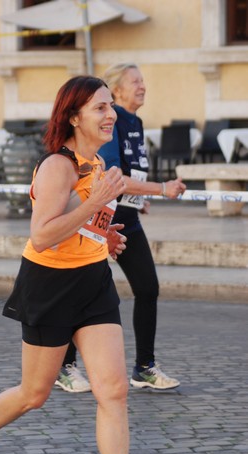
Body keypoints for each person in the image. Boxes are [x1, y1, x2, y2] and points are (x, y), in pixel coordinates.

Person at [0, 75, 169, 454]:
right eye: (100, 108)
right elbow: (43, 234)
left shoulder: (97, 161)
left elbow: (80, 220)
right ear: (74, 117)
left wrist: (103, 235)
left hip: (93, 283)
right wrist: (97, 207)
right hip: (48, 286)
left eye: (111, 106)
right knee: (34, 394)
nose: (110, 115)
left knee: (113, 389)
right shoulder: (56, 166)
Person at [56, 63, 186, 393]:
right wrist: (161, 188)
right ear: (117, 90)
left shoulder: (135, 122)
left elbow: (130, 175)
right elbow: (111, 176)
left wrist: (139, 197)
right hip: (96, 219)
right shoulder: (109, 124)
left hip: (127, 219)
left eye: (144, 80)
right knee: (80, 294)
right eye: (135, 81)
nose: (142, 86)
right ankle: (65, 366)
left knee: (147, 288)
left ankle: (144, 367)